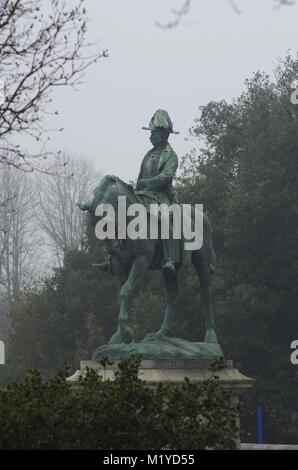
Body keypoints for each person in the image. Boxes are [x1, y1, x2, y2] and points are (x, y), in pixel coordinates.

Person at [136, 109, 179, 274]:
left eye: (153, 133)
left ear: (163, 135)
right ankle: (116, 256)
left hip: (162, 197)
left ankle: (169, 258)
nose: (150, 136)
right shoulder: (148, 155)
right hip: (143, 195)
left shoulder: (171, 156)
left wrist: (148, 182)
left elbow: (167, 176)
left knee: (164, 216)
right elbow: (140, 176)